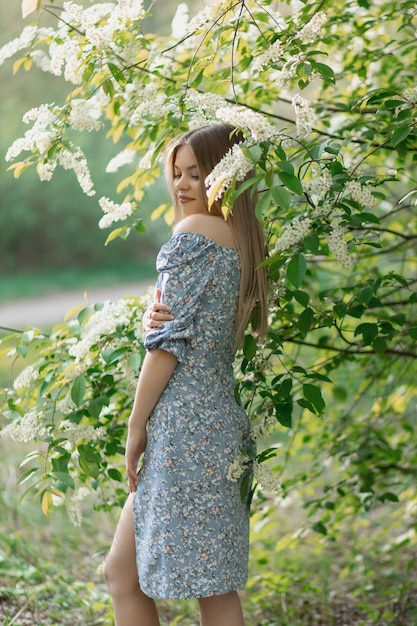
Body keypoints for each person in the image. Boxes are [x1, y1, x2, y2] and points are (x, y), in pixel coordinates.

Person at [104, 124, 268, 626]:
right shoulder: (245, 241)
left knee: (199, 587)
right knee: (130, 574)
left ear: (227, 175)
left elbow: (167, 348)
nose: (183, 185)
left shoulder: (193, 235)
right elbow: (194, 327)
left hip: (183, 426)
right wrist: (154, 319)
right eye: (177, 173)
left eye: (197, 173)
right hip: (218, 421)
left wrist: (136, 426)